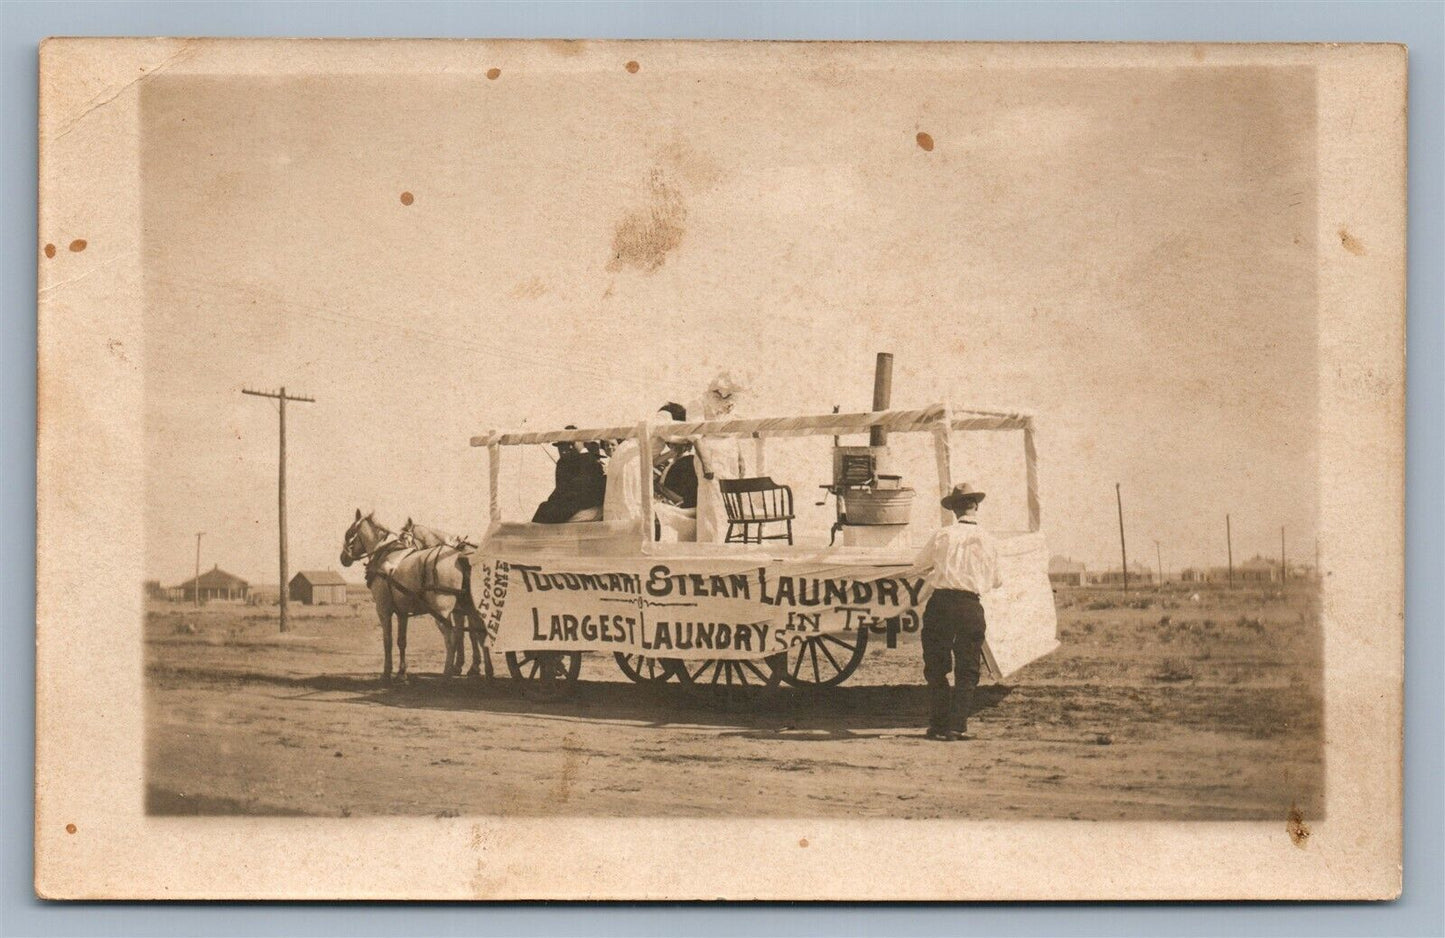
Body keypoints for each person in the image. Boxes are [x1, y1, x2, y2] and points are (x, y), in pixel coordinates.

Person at [911, 482, 1002, 741]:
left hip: (941, 604)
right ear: (976, 506)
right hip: (970, 606)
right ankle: (957, 725)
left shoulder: (942, 535)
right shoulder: (990, 540)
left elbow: (919, 565)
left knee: (937, 667)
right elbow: (996, 581)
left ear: (954, 509)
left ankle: (938, 724)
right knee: (967, 668)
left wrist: (939, 570)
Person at [603, 404, 696, 541]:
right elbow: (675, 437)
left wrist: (672, 453)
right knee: (630, 497)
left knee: (624, 495)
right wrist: (693, 438)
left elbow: (651, 461)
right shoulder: (664, 417)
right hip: (632, 458)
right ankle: (633, 533)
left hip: (632, 458)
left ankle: (629, 533)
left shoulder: (657, 427)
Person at [690, 371, 753, 543]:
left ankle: (734, 541)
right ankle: (713, 541)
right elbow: (695, 436)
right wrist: (706, 463)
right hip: (710, 452)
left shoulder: (732, 403)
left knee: (732, 498)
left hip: (729, 452)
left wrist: (740, 458)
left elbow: (735, 434)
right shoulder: (699, 403)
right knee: (712, 498)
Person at [531, 427, 606, 523]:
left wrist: (582, 450)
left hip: (584, 502)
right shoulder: (562, 463)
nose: (563, 450)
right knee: (544, 508)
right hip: (568, 501)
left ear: (575, 445)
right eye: (560, 446)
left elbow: (591, 480)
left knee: (547, 511)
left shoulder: (586, 459)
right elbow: (560, 488)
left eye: (568, 445)